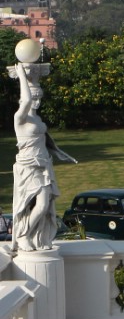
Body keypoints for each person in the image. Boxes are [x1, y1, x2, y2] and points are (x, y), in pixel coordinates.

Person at [10, 62, 75, 252]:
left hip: (44, 164)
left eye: (39, 97)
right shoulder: (19, 119)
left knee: (45, 204)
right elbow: (27, 100)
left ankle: (30, 234)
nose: (36, 102)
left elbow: (46, 141)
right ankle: (23, 236)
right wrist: (22, 75)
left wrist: (60, 153)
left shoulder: (37, 120)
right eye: (34, 97)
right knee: (27, 204)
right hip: (28, 167)